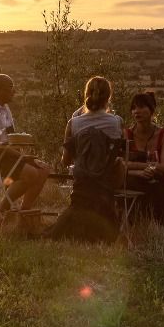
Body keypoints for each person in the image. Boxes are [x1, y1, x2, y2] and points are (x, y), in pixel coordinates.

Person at [46, 76, 124, 243]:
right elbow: (118, 155)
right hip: (106, 187)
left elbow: (65, 161)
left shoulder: (73, 123)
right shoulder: (116, 122)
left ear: (86, 95)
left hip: (82, 186)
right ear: (108, 97)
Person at [0, 74, 51, 217]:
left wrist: (24, 154)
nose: (14, 91)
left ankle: (25, 213)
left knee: (44, 170)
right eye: (11, 88)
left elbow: (10, 137)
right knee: (30, 173)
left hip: (2, 155)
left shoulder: (4, 108)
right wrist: (24, 158)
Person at [123, 91, 164, 224]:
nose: (137, 111)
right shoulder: (126, 134)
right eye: (134, 108)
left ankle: (154, 226)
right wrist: (142, 170)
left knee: (156, 187)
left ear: (152, 110)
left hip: (158, 181)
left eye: (141, 107)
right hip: (134, 179)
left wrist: (141, 167)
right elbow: (122, 164)